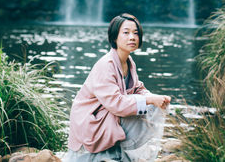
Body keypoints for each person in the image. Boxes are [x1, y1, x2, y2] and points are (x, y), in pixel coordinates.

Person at [65, 13, 171, 162]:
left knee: (151, 106)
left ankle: (122, 153)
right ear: (114, 37)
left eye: (135, 33)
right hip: (91, 120)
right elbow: (116, 104)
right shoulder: (106, 65)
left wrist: (156, 98)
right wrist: (149, 100)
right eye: (126, 33)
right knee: (145, 106)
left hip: (107, 114)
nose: (132, 37)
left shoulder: (128, 61)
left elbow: (137, 88)